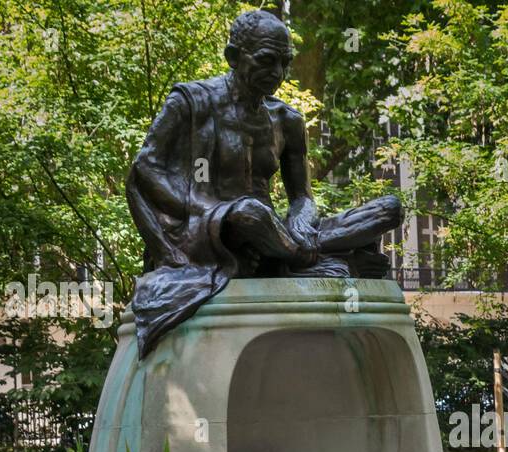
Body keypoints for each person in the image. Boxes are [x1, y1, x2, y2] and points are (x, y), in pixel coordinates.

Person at [125, 9, 402, 356]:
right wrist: (206, 209)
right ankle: (307, 255)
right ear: (233, 56)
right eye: (267, 61)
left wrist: (300, 219)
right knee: (250, 213)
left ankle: (301, 250)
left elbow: (301, 196)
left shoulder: (286, 120)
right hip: (209, 227)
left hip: (271, 235)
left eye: (285, 63)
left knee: (389, 209)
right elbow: (145, 169)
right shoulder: (191, 102)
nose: (279, 74)